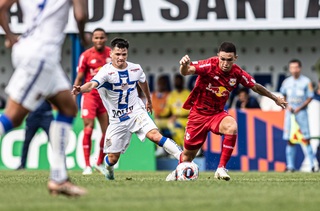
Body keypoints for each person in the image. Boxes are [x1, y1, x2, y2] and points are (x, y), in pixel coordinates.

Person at [0, 0, 90, 197]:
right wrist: (83, 36)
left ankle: (59, 179)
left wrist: (11, 36)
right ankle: (58, 179)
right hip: (42, 55)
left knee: (68, 107)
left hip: (33, 50)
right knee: (12, 118)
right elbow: (81, 15)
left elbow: (1, 7)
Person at [166, 41, 287, 181]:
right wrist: (183, 65)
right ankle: (177, 172)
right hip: (198, 115)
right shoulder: (209, 65)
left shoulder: (237, 73)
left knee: (232, 126)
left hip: (217, 114)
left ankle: (221, 168)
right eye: (222, 59)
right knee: (188, 156)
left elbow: (255, 86)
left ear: (235, 58)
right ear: (218, 56)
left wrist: (274, 98)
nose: (225, 63)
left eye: (229, 60)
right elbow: (186, 71)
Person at [72, 38, 183, 180]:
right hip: (117, 119)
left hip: (136, 111)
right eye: (117, 54)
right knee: (112, 158)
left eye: (124, 54)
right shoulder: (105, 72)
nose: (121, 58)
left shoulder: (135, 68)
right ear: (111, 54)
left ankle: (184, 159)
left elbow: (143, 82)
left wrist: (148, 100)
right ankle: (108, 169)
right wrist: (80, 89)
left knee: (155, 136)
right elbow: (92, 84)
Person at [73, 28, 111, 175]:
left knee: (106, 131)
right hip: (89, 96)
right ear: (92, 39)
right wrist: (74, 95)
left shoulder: (111, 54)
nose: (99, 40)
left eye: (102, 37)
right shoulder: (86, 55)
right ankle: (87, 165)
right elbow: (79, 77)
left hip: (105, 97)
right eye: (96, 38)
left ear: (105, 38)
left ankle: (99, 162)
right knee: (88, 129)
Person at [280, 59, 315, 172]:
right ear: (289, 69)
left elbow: (310, 97)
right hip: (290, 114)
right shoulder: (286, 82)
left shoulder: (306, 81)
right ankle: (290, 166)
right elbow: (283, 95)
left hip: (302, 113)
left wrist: (300, 107)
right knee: (290, 139)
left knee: (306, 138)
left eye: (296, 67)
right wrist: (288, 105)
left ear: (300, 68)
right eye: (292, 68)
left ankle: (312, 166)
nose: (294, 70)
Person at [16, 101, 53, 170]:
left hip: (46, 115)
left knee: (54, 142)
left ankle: (61, 165)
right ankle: (22, 165)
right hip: (33, 116)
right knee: (27, 141)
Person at [166, 74, 190, 148]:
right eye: (176, 81)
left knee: (176, 125)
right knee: (171, 124)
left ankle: (186, 147)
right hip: (175, 119)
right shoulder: (171, 94)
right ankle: (179, 147)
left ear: (183, 82)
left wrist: (177, 116)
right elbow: (167, 110)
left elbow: (192, 109)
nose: (178, 82)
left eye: (179, 81)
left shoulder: (188, 93)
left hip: (187, 119)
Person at [151, 75, 171, 157]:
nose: (161, 84)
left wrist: (159, 115)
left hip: (166, 119)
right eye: (160, 83)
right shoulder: (152, 94)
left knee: (159, 124)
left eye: (163, 83)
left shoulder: (169, 95)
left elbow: (169, 109)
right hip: (153, 118)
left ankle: (165, 149)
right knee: (154, 125)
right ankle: (159, 148)